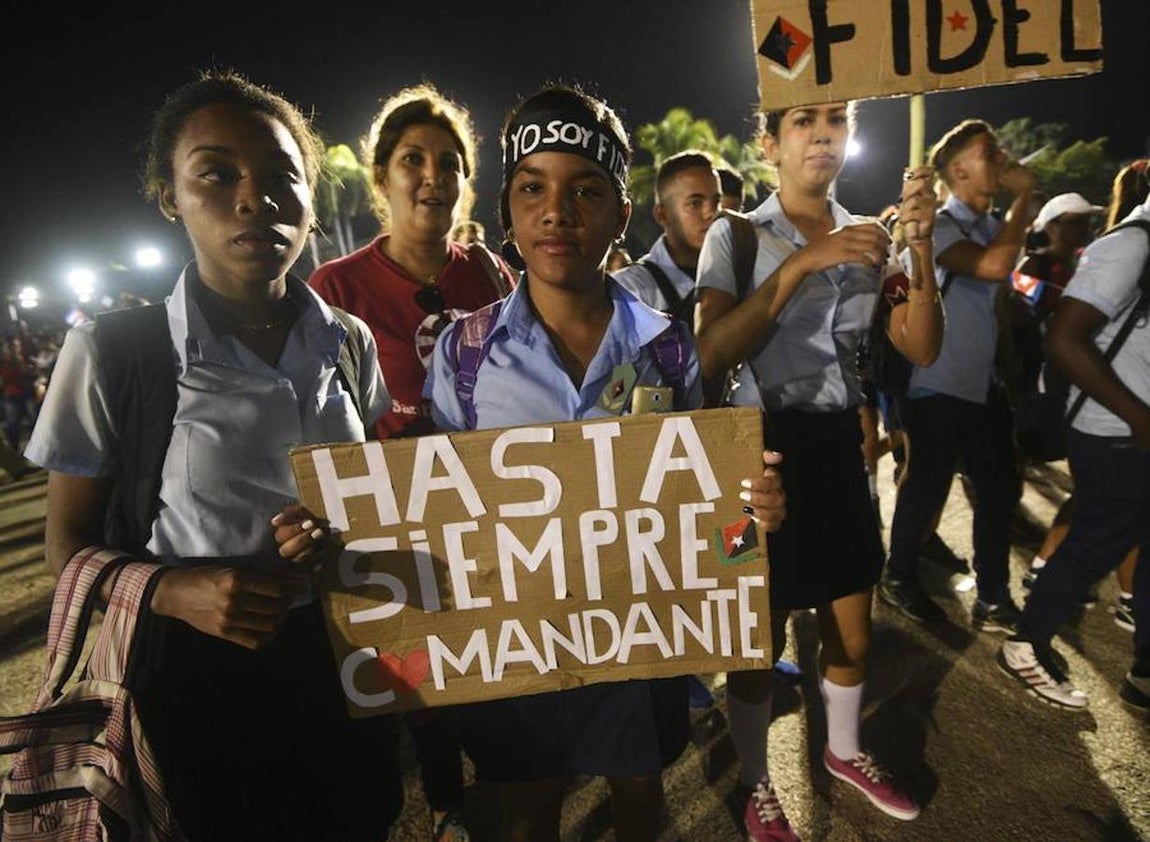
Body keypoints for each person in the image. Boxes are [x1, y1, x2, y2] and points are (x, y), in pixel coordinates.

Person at [23, 69, 402, 841]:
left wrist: (341, 532)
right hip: (190, 683)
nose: (252, 199)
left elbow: (375, 496)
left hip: (343, 662)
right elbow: (66, 548)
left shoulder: (349, 346)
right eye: (216, 174)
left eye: (280, 177)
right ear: (171, 195)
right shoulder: (112, 353)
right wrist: (175, 591)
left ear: (310, 194)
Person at [424, 82, 787, 842]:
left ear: (620, 216)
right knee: (528, 812)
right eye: (533, 188)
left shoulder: (668, 348)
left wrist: (750, 522)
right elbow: (439, 516)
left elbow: (711, 518)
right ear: (509, 210)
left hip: (639, 637)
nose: (559, 212)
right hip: (519, 642)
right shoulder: (463, 354)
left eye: (586, 190)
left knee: (640, 798)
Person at [695, 101, 942, 838]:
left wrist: (919, 248)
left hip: (838, 452)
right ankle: (755, 780)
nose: (825, 131)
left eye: (838, 117)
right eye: (805, 119)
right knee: (753, 641)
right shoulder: (734, 234)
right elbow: (710, 353)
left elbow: (919, 345)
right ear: (770, 143)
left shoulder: (875, 237)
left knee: (853, 635)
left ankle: (842, 751)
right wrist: (806, 261)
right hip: (751, 459)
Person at [308, 81, 515, 842]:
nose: (433, 176)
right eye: (412, 159)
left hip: (492, 509)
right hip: (397, 522)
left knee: (496, 669)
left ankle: (509, 789)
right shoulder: (336, 290)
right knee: (423, 679)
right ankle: (446, 806)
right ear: (382, 178)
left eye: (449, 162)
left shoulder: (492, 275)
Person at [997, 170, 1150, 713]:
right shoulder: (1131, 244)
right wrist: (1139, 418)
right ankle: (1025, 643)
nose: (1081, 229)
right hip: (1117, 433)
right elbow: (1062, 337)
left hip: (1130, 430)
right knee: (1092, 545)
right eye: (1073, 223)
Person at [880, 119, 1036, 632]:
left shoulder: (992, 227)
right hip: (935, 384)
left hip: (982, 387)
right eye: (990, 152)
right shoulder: (938, 224)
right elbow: (993, 267)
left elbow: (999, 304)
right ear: (960, 169)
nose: (1003, 159)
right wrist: (1026, 197)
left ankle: (993, 593)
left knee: (998, 492)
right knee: (927, 487)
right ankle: (898, 576)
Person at [613, 150, 720, 324]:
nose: (711, 213)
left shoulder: (736, 277)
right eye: (695, 203)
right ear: (662, 215)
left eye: (716, 202)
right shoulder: (630, 291)